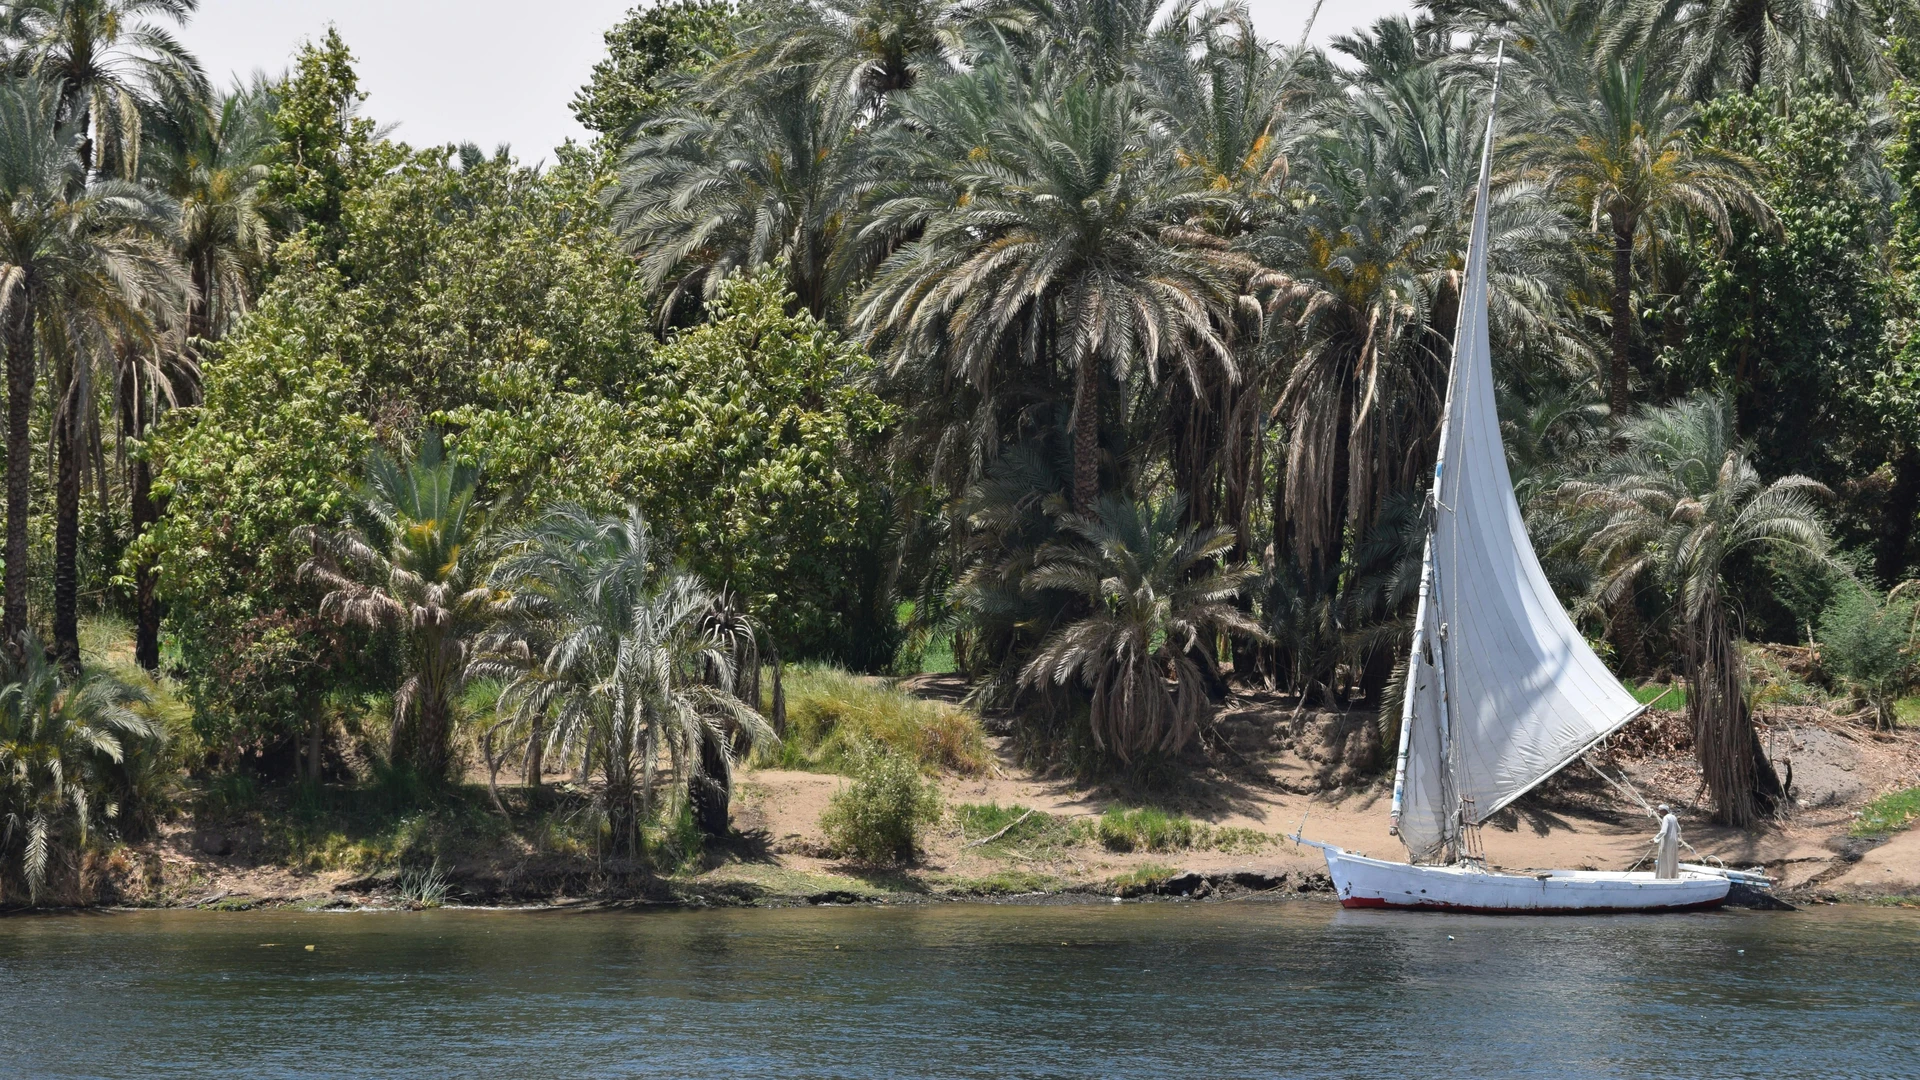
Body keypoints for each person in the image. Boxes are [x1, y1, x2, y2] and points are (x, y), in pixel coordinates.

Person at [1654, 804, 1681, 879]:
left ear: (1663, 811)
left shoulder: (1666, 818)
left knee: (1664, 857)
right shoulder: (1673, 817)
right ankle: (1673, 875)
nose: (1659, 812)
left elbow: (1663, 831)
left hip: (1667, 840)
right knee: (1672, 857)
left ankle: (1664, 876)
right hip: (1674, 840)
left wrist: (1655, 839)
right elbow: (1679, 829)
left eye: (1660, 810)